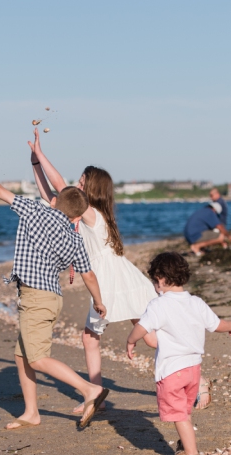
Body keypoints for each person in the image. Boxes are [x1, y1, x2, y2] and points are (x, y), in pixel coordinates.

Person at [0, 162, 109, 429]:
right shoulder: (76, 239)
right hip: (50, 299)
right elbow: (88, 274)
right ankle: (31, 412)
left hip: (36, 298)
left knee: (37, 358)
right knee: (22, 356)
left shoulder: (35, 211)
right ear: (77, 217)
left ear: (54, 202)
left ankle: (88, 389)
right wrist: (99, 302)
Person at [28, 129, 158, 415]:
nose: (76, 184)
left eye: (81, 181)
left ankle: (96, 394)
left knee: (105, 338)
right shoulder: (91, 213)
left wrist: (41, 153)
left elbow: (60, 186)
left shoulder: (92, 214)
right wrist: (35, 164)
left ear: (91, 187)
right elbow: (51, 195)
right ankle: (96, 394)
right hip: (121, 278)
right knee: (144, 337)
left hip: (111, 281)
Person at [127, 251, 231, 455]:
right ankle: (186, 446)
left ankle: (192, 454)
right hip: (193, 370)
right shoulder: (196, 302)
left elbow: (142, 328)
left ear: (160, 280)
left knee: (179, 415)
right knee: (184, 411)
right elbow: (216, 325)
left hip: (172, 370)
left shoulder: (159, 305)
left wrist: (130, 340)